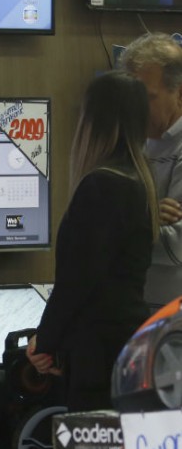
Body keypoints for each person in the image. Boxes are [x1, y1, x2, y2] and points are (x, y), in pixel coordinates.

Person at [27, 72, 157, 412]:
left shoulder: (102, 185)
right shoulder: (138, 180)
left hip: (98, 355)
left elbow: (76, 281)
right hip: (124, 346)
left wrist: (45, 341)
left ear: (92, 121)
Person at [120, 32, 182, 309]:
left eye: (147, 97)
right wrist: (148, 217)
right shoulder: (134, 141)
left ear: (179, 93)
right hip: (136, 311)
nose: (135, 109)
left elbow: (175, 247)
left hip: (172, 321)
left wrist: (117, 226)